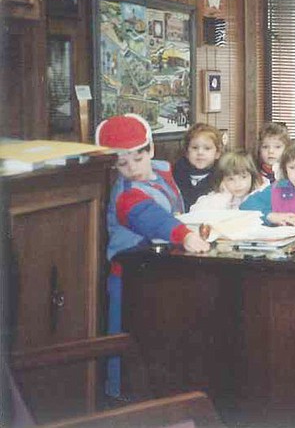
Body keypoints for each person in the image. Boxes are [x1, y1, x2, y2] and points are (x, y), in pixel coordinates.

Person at [96, 114, 210, 396]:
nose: (132, 168)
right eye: (122, 163)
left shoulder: (163, 172)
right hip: (129, 278)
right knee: (125, 344)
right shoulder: (126, 195)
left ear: (151, 149)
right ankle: (117, 398)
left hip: (158, 271)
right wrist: (185, 234)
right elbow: (153, 218)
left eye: (138, 157)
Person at [191, 151, 264, 211]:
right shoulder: (217, 198)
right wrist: (224, 197)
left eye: (243, 177)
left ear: (252, 176)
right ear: (222, 180)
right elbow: (195, 212)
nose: (237, 184)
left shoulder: (259, 195)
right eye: (230, 179)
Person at [173, 123, 223, 209]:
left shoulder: (222, 177)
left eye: (207, 148)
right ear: (187, 152)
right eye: (195, 148)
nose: (200, 152)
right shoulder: (176, 175)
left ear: (217, 154)